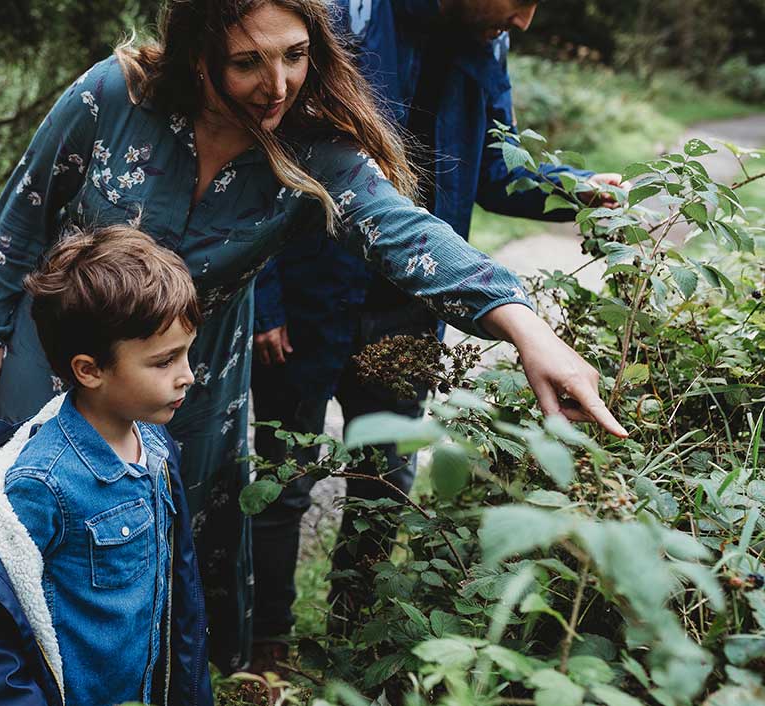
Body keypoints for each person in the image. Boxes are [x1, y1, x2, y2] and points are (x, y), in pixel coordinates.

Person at [0, 0, 626, 671]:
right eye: (248, 61)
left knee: (153, 548)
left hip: (192, 379)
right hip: (56, 359)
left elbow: (410, 237)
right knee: (28, 526)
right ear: (201, 53)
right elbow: (27, 204)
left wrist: (525, 328)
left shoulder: (316, 150)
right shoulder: (112, 94)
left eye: (295, 55)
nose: (277, 83)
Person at [246, 0, 627, 666]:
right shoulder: (343, 22)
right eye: (520, 1)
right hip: (308, 297)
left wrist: (576, 188)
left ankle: (352, 643)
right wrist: (264, 294)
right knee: (283, 476)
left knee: (386, 478)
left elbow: (496, 175)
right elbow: (269, 147)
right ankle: (263, 647)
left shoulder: (489, 43)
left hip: (413, 305)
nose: (526, 21)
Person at [0, 227, 213, 706]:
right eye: (164, 361)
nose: (187, 375)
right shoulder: (41, 483)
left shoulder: (155, 445)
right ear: (89, 369)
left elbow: (179, 592)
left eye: (187, 353)